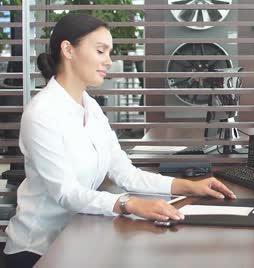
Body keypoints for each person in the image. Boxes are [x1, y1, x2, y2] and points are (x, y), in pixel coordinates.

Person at [3, 14, 237, 268]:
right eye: (100, 51)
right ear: (68, 49)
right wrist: (130, 204)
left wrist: (188, 187)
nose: (109, 61)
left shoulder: (89, 106)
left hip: (78, 238)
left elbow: (125, 173)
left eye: (109, 52)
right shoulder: (42, 114)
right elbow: (67, 193)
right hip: (38, 251)